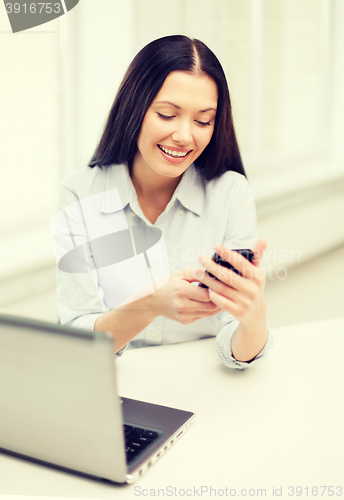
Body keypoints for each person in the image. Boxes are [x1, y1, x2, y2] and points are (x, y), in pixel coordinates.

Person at [51, 35, 273, 369]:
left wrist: (253, 320)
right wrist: (150, 304)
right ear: (134, 108)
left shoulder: (230, 192)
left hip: (199, 381)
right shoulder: (80, 194)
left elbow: (236, 348)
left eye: (203, 121)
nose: (185, 136)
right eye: (167, 115)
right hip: (116, 384)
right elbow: (76, 337)